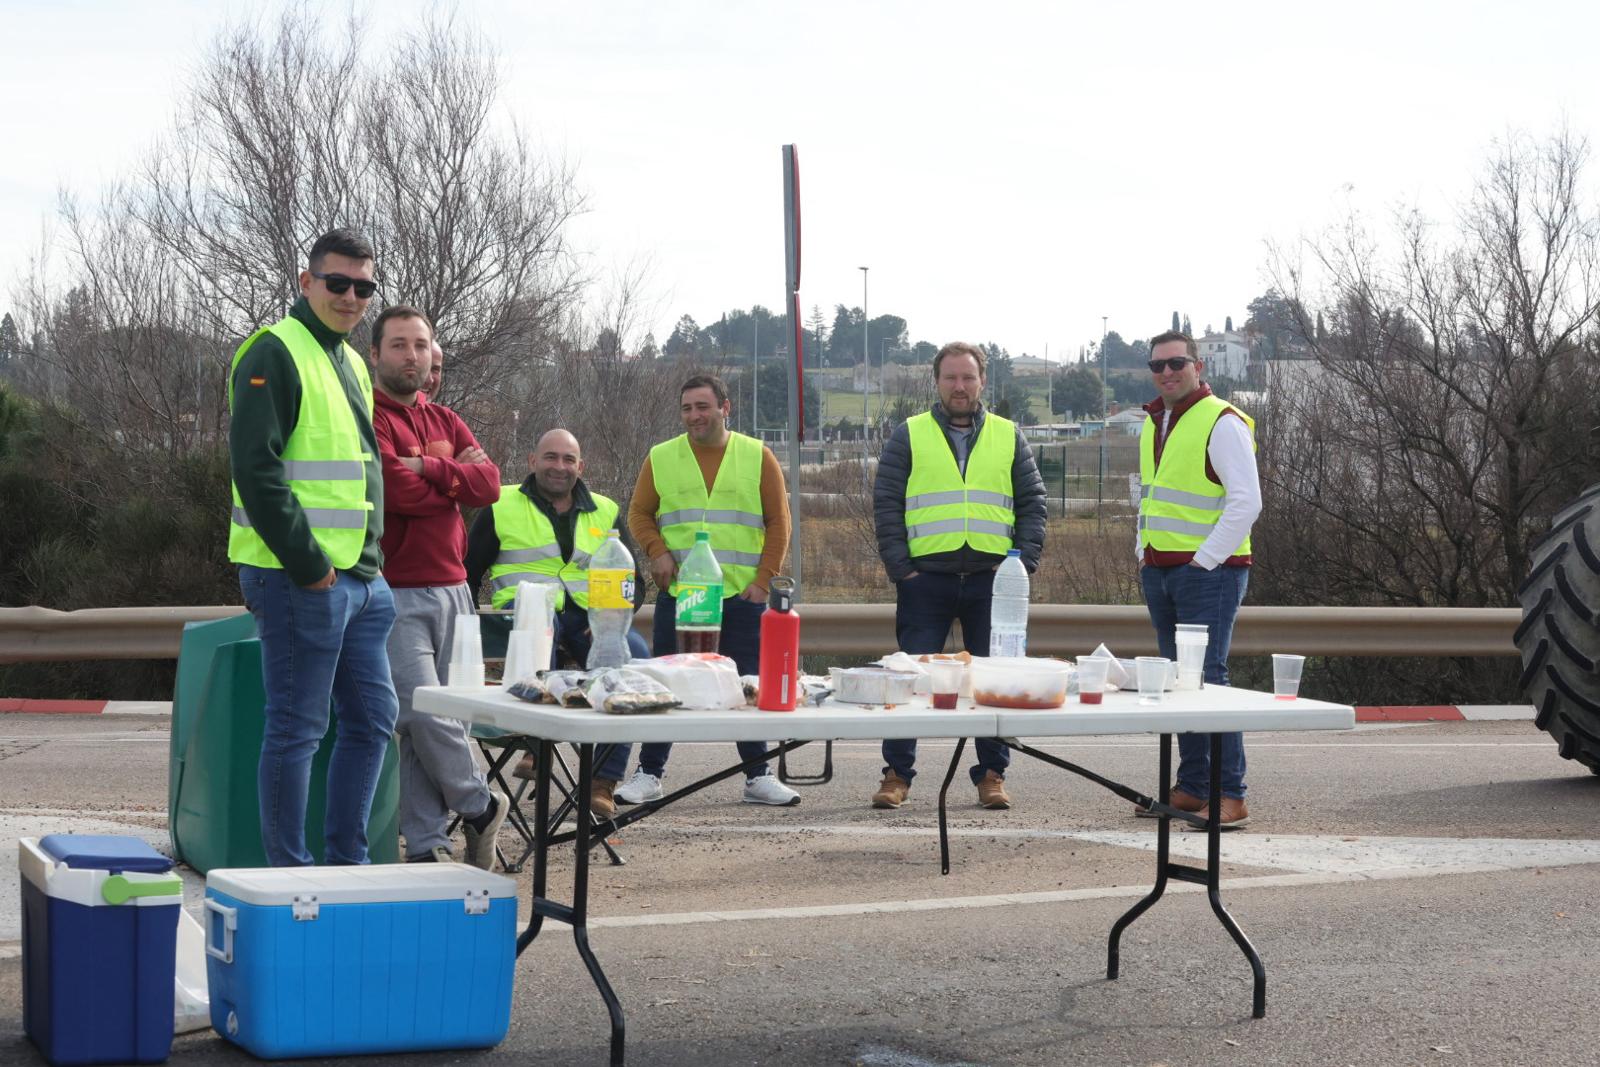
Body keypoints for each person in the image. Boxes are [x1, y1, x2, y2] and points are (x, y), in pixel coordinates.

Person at [229, 228, 398, 867]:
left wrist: (368, 564)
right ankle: (290, 879)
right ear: (307, 283)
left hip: (359, 578)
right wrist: (313, 568)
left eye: (364, 287)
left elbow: (358, 467)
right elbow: (258, 470)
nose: (351, 296)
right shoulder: (273, 352)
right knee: (297, 731)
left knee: (373, 719)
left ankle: (345, 867)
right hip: (298, 575)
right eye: (337, 283)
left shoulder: (351, 359)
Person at [871, 341, 1048, 811]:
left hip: (994, 581)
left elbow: (1033, 503)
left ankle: (992, 774)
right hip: (925, 580)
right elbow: (886, 503)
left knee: (996, 681)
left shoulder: (1010, 435)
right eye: (950, 377)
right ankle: (896, 775)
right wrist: (901, 569)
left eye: (968, 377)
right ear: (937, 382)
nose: (959, 386)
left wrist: (1023, 563)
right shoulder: (909, 434)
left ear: (982, 381)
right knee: (907, 679)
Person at [611, 374, 801, 808]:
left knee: (746, 686)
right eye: (687, 408)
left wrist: (762, 581)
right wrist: (657, 553)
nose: (694, 416)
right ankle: (649, 773)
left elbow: (779, 522)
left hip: (740, 597)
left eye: (702, 406)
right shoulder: (662, 456)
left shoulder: (758, 456)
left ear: (725, 408)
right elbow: (640, 512)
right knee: (666, 685)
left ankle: (758, 775)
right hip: (683, 596)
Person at [370, 309, 509, 866]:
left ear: (432, 355)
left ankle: (427, 845)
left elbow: (491, 485)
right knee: (424, 713)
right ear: (376, 354)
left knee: (437, 719)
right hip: (397, 589)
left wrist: (424, 466)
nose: (411, 355)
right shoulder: (371, 419)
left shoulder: (447, 419)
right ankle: (479, 806)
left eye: (420, 345)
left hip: (456, 589)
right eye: (398, 345)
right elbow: (393, 491)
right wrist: (451, 476)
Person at [464, 427, 651, 817]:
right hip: (526, 614)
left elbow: (634, 583)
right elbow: (466, 573)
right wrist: (481, 629)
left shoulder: (605, 509)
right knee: (539, 637)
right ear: (532, 462)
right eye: (550, 457)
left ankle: (603, 780)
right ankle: (536, 745)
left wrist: (613, 620)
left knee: (634, 656)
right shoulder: (501, 504)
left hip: (590, 619)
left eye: (568, 460)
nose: (559, 467)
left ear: (580, 467)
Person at [1133, 330, 1261, 829]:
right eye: (1158, 365)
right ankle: (1192, 786)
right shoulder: (1155, 421)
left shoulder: (1222, 421)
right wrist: (1143, 552)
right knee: (1180, 681)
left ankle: (1230, 793)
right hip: (1162, 570)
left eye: (1176, 363)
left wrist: (1203, 561)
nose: (1167, 372)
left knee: (1209, 679)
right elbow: (1152, 496)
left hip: (1208, 573)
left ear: (1198, 365)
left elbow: (1246, 502)